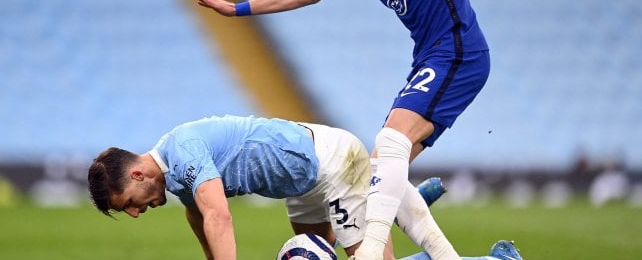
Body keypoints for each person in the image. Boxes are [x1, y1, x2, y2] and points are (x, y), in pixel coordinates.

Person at [185, 0, 591, 259]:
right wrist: (236, 9)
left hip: (458, 48)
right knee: (374, 168)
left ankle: (371, 248)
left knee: (390, 141)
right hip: (430, 55)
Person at [87, 114, 521, 260]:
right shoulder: (173, 171)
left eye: (128, 203)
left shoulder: (182, 149)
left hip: (329, 164)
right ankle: (385, 202)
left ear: (139, 176)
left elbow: (218, 213)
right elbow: (197, 213)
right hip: (303, 184)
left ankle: (495, 259)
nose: (135, 212)